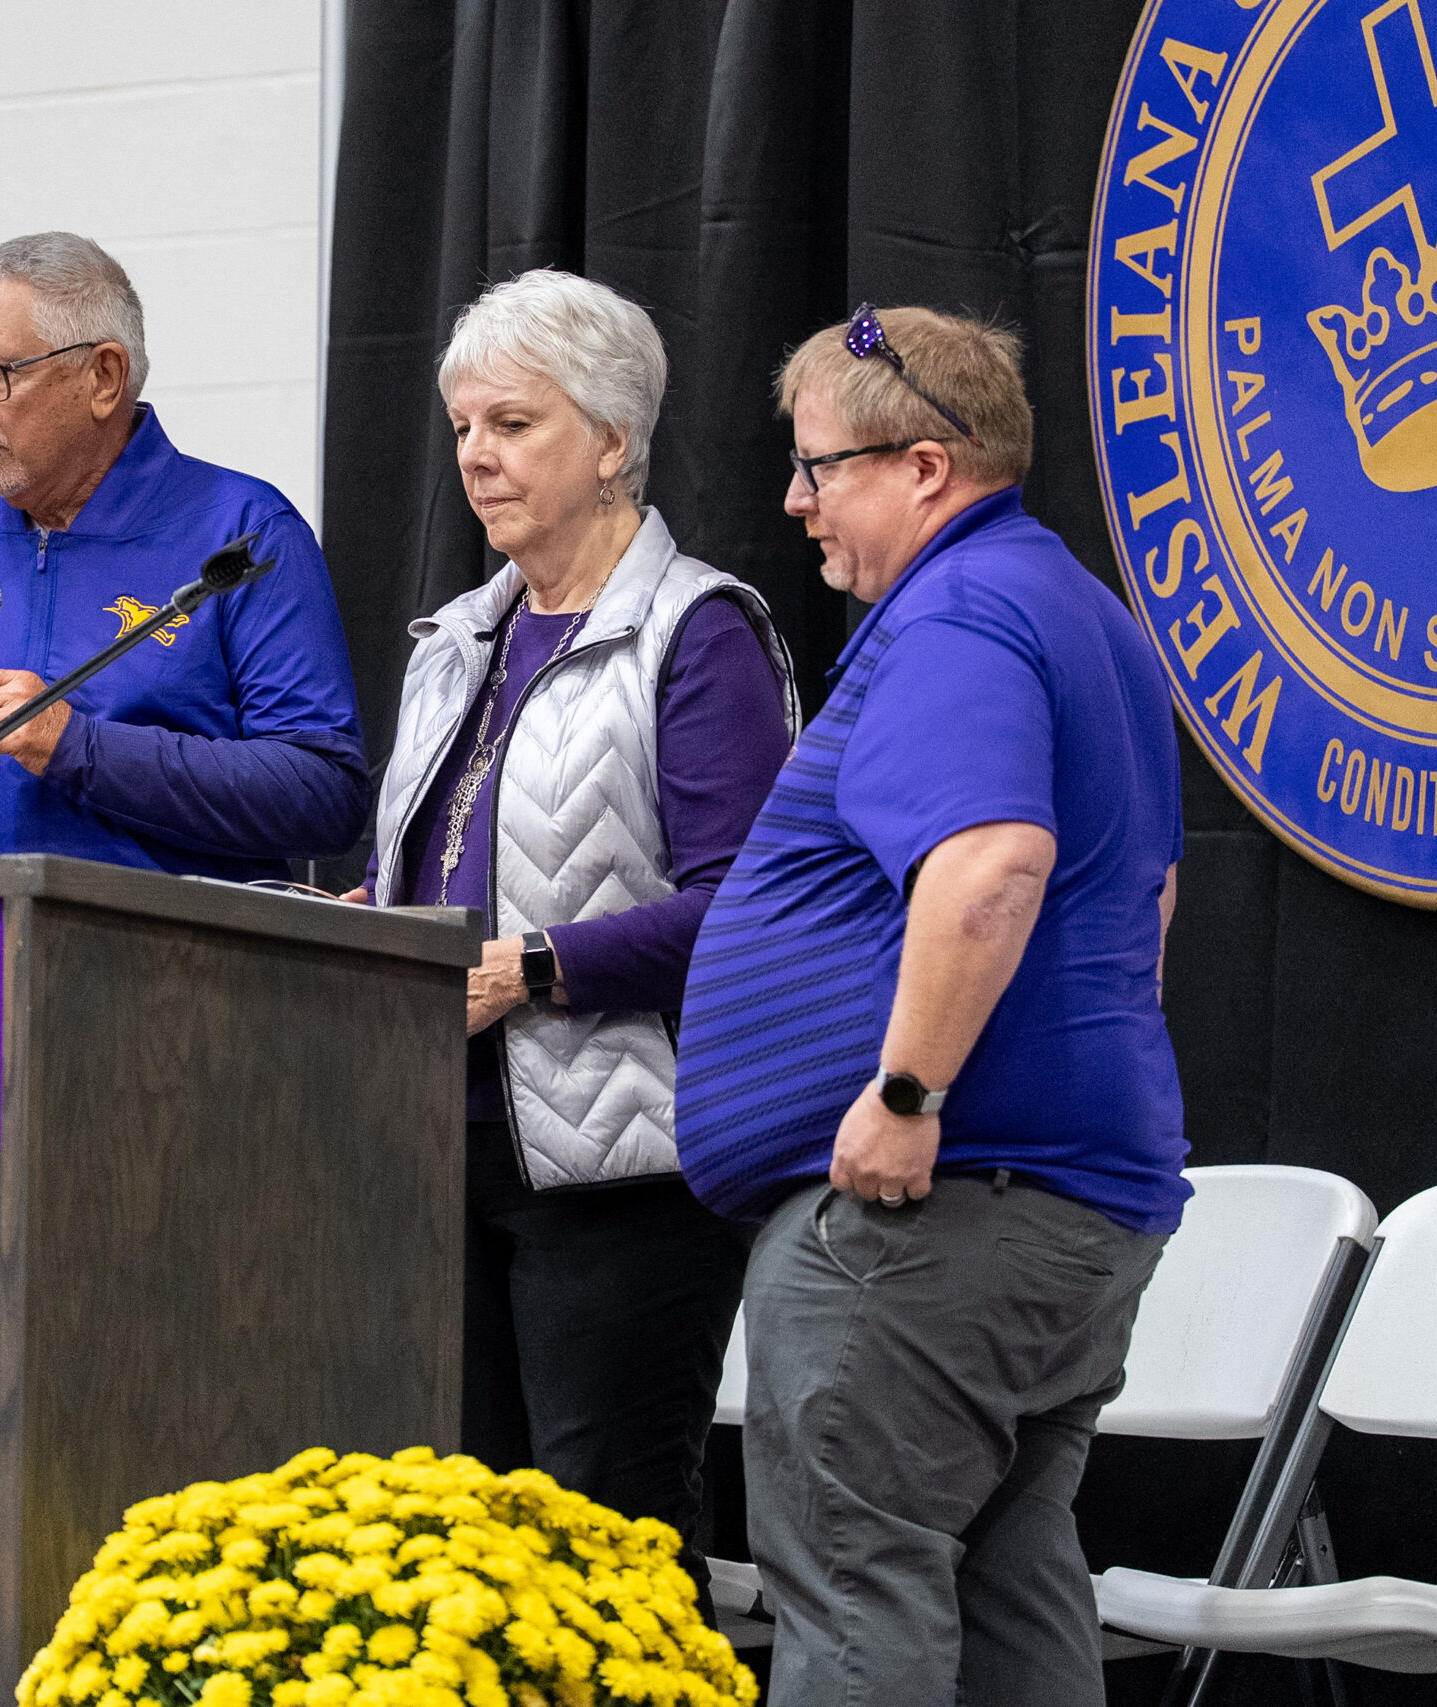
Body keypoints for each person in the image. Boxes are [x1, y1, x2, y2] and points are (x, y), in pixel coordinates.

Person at [675, 304, 1187, 1705]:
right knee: (1008, 1570)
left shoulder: (957, 612)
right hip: (1073, 1199)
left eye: (819, 467)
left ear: (923, 466)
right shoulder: (1079, 607)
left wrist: (907, 1095)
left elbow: (991, 862)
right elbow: (1143, 902)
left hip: (934, 1214)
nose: (796, 501)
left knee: (854, 1581)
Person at [357, 269, 798, 1613]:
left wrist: (535, 966)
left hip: (626, 1165)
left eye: (513, 423)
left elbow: (749, 904)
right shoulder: (456, 639)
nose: (476, 457)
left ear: (610, 441)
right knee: (468, 1548)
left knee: (607, 1545)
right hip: (446, 1146)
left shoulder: (701, 631)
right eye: (462, 428)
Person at [0, 232, 369, 877]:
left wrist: (74, 744)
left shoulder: (242, 534)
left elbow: (323, 794)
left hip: (169, 966)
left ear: (104, 379)